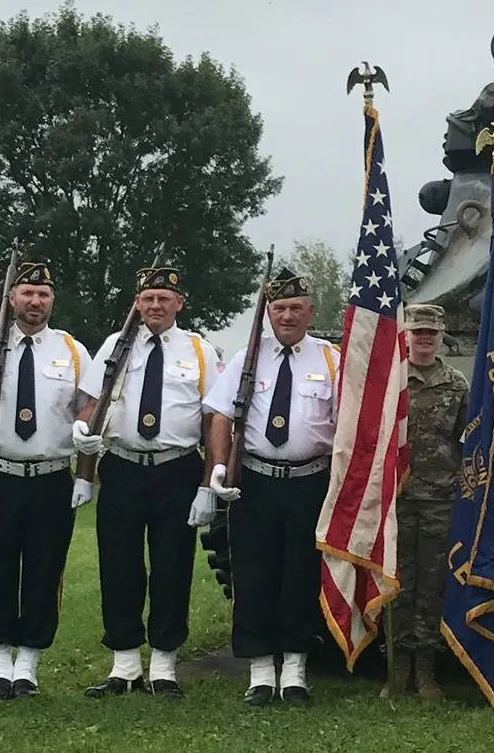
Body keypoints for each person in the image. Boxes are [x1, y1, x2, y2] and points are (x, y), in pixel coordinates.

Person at [71, 266, 221, 699]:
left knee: (172, 564)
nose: (155, 306)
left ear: (179, 303)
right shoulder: (115, 347)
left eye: (163, 299)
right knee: (119, 563)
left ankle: (164, 664)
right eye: (147, 299)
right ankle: (124, 663)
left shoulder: (199, 350)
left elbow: (213, 420)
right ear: (137, 303)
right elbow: (92, 405)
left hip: (177, 468)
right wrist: (82, 439)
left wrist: (208, 485)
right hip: (122, 466)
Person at [0, 261, 92, 700]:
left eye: (44, 295)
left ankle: (28, 665)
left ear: (52, 300)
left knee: (44, 569)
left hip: (51, 478)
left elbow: (89, 404)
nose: (35, 302)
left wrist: (84, 430)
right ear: (11, 297)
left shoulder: (72, 350)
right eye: (27, 293)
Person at [204, 268, 339, 705]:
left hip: (310, 482)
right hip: (256, 482)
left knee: (301, 576)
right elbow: (221, 415)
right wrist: (219, 469)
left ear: (310, 311)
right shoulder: (249, 358)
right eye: (279, 308)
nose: (287, 315)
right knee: (254, 574)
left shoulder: (331, 360)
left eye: (295, 307)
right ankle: (261, 672)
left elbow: (348, 425)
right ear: (268, 313)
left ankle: (296, 670)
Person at [381, 303, 469, 700]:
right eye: (418, 331)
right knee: (399, 584)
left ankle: (426, 671)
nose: (425, 338)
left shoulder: (457, 384)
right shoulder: (392, 381)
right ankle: (397, 668)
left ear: (441, 334)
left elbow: (468, 442)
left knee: (433, 587)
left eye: (431, 332)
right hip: (398, 500)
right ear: (407, 335)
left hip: (439, 499)